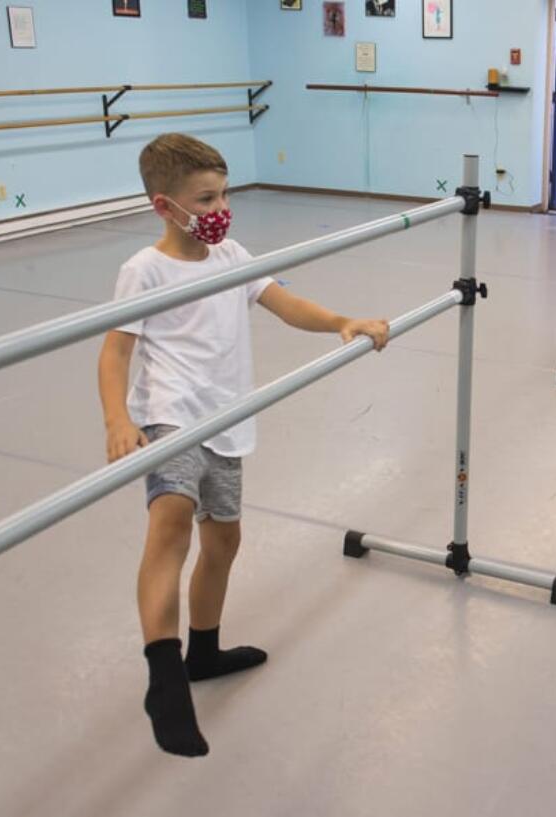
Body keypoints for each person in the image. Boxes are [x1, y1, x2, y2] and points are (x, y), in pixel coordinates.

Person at [98, 133, 390, 756]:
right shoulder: (144, 270)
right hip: (171, 418)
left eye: (224, 194)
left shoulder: (232, 255)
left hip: (226, 420)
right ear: (164, 206)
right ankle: (165, 676)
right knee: (170, 526)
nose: (219, 207)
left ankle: (203, 650)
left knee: (224, 541)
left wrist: (343, 321)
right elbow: (115, 348)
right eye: (205, 199)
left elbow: (286, 304)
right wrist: (118, 420)